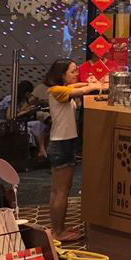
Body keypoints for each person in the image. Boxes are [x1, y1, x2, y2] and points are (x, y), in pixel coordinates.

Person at [45, 58, 104, 242]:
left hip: (64, 142)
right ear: (61, 75)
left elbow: (80, 86)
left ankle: (58, 227)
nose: (76, 74)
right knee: (61, 191)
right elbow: (83, 90)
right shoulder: (56, 90)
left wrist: (91, 83)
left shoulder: (63, 89)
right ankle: (58, 231)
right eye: (72, 71)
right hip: (61, 144)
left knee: (59, 190)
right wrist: (95, 85)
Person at [0, 81, 49, 160]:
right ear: (27, 93)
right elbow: (9, 117)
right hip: (3, 125)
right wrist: (25, 112)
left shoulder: (20, 100)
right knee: (27, 131)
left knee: (38, 125)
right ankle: (29, 155)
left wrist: (29, 109)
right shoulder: (11, 99)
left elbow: (20, 111)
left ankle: (42, 150)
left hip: (18, 122)